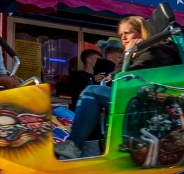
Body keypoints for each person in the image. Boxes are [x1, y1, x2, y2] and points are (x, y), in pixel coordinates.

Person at [62, 16, 150, 157]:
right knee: (91, 93)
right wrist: (128, 54)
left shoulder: (150, 51)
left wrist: (129, 54)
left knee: (92, 92)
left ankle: (74, 144)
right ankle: (77, 144)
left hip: (142, 99)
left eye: (127, 33)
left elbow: (128, 77)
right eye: (121, 35)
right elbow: (117, 75)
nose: (123, 38)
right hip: (130, 96)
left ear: (141, 32)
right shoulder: (132, 53)